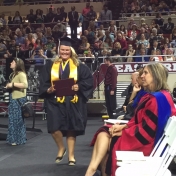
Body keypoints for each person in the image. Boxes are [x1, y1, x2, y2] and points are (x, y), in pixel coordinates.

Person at [85, 63, 176, 176]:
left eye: (146, 73)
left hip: (146, 145)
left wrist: (124, 131)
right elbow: (141, 121)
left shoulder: (156, 99)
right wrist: (124, 127)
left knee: (104, 135)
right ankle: (92, 171)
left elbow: (147, 132)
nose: (142, 76)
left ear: (156, 76)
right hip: (147, 140)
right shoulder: (161, 96)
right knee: (105, 132)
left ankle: (91, 171)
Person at [39, 37, 93, 165]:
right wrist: (49, 89)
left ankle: (71, 156)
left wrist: (78, 86)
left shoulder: (79, 66)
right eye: (62, 50)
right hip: (55, 101)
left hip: (73, 101)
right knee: (53, 128)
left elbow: (88, 81)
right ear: (59, 50)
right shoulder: (50, 65)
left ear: (71, 51)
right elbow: (43, 83)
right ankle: (61, 148)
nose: (64, 52)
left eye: (67, 50)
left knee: (71, 128)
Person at [5, 58, 28, 146]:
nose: (11, 63)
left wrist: (12, 84)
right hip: (13, 98)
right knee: (13, 120)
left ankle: (17, 139)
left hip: (18, 100)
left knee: (17, 120)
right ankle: (15, 139)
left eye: (13, 62)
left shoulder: (21, 74)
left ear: (17, 64)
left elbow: (25, 85)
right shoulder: (13, 74)